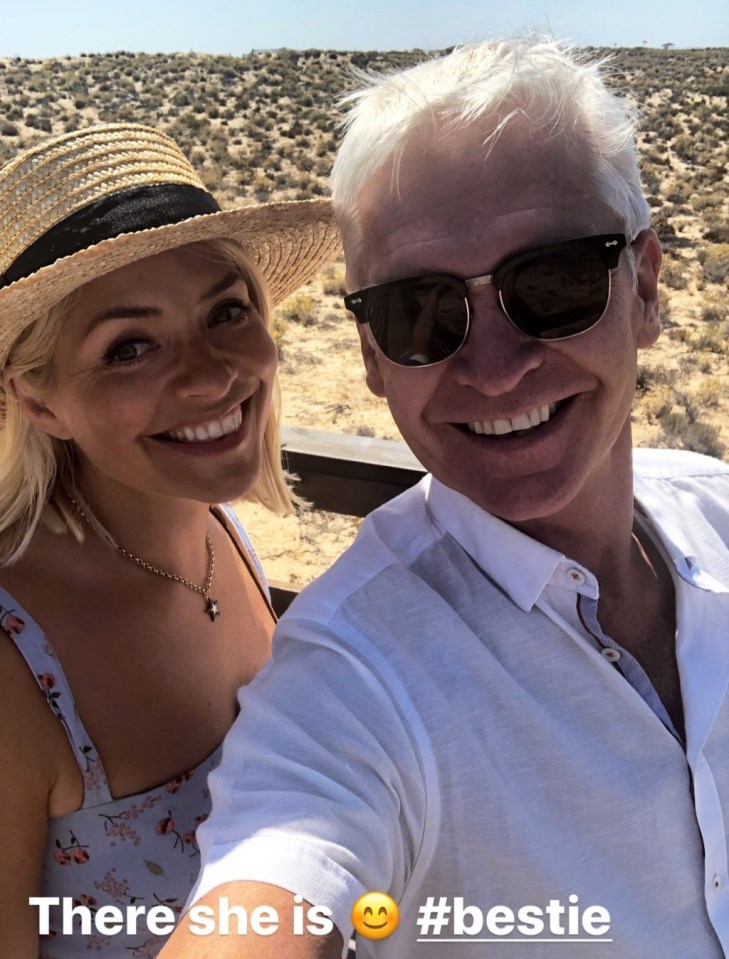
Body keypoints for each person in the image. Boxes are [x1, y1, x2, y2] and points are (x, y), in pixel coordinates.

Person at [161, 38, 729, 959]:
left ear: (648, 286)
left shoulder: (716, 509)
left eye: (553, 284)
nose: (497, 370)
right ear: (371, 359)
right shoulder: (355, 670)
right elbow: (274, 868)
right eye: (419, 312)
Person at [0, 122, 339, 959]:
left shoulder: (222, 535)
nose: (211, 375)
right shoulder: (16, 667)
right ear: (38, 403)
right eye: (129, 347)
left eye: (226, 311)